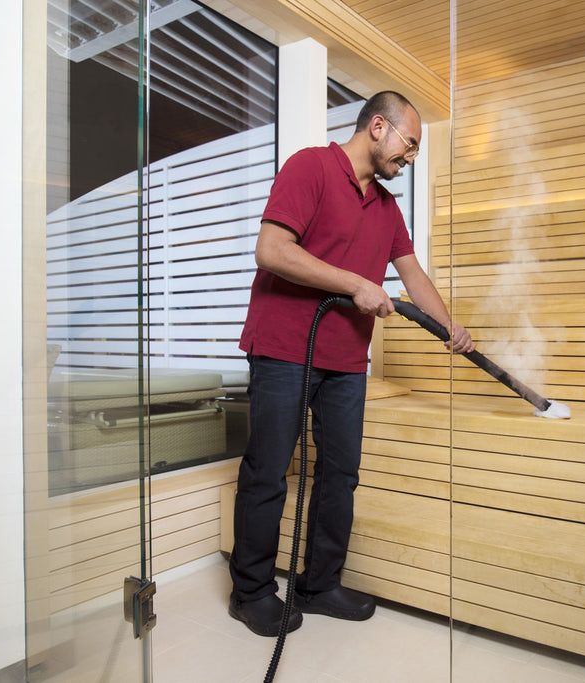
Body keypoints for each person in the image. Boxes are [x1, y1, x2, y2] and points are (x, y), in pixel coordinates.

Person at [228, 91, 474, 637]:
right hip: (285, 348)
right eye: (410, 144)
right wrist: (357, 284)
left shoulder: (385, 207)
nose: (411, 158)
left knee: (339, 475)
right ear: (379, 127)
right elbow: (272, 250)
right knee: (268, 471)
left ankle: (318, 585)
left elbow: (412, 274)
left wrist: (449, 327)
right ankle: (251, 592)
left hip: (345, 359)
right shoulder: (310, 167)